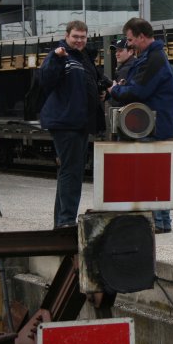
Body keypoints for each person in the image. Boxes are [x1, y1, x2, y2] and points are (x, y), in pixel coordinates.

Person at [108, 17, 173, 234]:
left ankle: (158, 222)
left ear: (141, 36)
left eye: (130, 39)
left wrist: (115, 91)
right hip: (154, 123)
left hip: (152, 125)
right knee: (155, 172)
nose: (129, 44)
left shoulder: (153, 59)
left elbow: (138, 91)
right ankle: (161, 221)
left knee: (149, 173)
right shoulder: (151, 57)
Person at [39, 20, 106, 229]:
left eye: (83, 37)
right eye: (75, 37)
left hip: (79, 122)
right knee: (72, 171)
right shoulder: (61, 56)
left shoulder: (83, 57)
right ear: (67, 36)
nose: (79, 40)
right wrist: (56, 58)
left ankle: (62, 220)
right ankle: (66, 220)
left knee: (69, 170)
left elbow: (92, 80)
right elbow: (45, 78)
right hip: (66, 121)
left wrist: (104, 89)